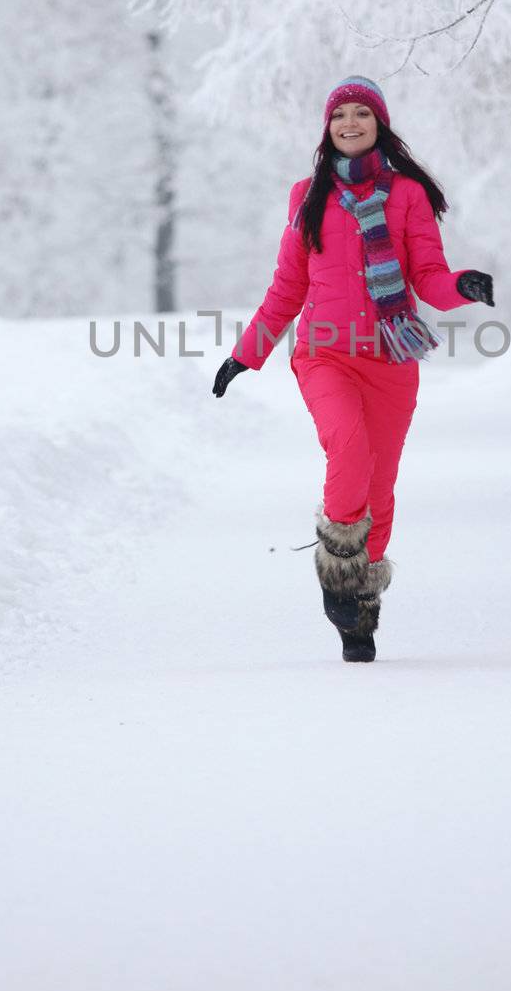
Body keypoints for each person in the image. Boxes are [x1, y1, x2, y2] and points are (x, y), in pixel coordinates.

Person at [212, 75, 494, 663]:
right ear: (327, 127)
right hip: (324, 355)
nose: (350, 123)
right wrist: (247, 352)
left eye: (362, 113)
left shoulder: (409, 194)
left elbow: (428, 280)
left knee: (380, 486)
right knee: (349, 451)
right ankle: (337, 575)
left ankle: (360, 606)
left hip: (391, 359)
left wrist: (462, 287)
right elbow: (288, 285)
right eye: (341, 114)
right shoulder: (306, 196)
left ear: (379, 125)